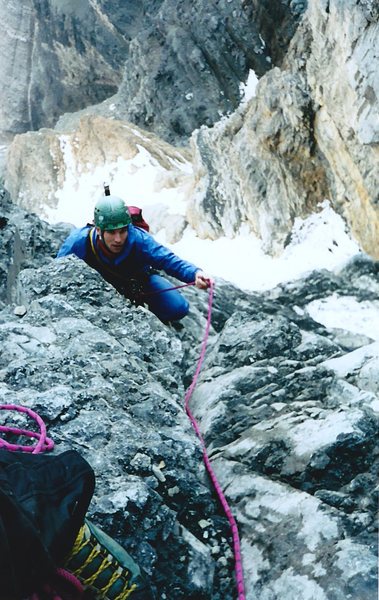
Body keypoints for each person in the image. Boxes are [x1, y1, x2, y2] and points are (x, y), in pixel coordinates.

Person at [57, 195, 211, 323]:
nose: (118, 239)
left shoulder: (138, 239)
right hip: (95, 289)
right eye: (111, 232)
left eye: (123, 231)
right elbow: (55, 272)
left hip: (138, 283)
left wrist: (195, 273)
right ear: (98, 230)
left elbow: (167, 259)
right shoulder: (78, 242)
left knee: (177, 308)